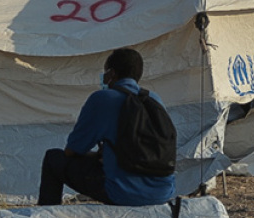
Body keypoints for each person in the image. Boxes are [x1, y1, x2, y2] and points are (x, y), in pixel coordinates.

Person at [38, 48, 176, 207]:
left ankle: (46, 214)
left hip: (124, 193)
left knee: (53, 158)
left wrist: (97, 155)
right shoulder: (154, 99)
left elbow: (72, 150)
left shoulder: (102, 99)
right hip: (163, 192)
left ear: (111, 74)